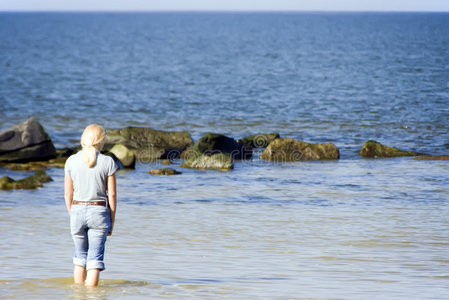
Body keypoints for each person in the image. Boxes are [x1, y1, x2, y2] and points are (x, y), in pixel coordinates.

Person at [64, 124, 118, 287]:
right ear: (101, 142)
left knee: (79, 257)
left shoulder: (71, 161)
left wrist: (72, 213)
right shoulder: (108, 162)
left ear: (83, 140)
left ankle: (79, 295)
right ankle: (92, 295)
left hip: (77, 210)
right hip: (99, 211)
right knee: (95, 260)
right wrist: (112, 220)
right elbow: (113, 195)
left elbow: (67, 194)